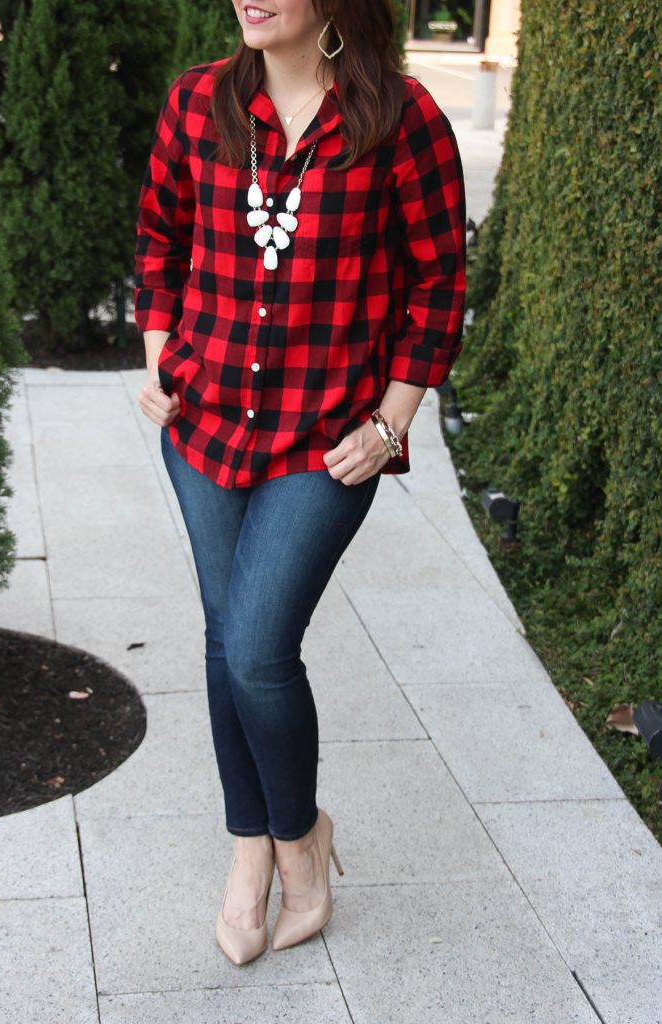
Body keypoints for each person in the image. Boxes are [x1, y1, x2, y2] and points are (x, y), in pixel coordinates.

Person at [134, 0, 466, 965]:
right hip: (202, 425)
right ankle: (253, 851)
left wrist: (392, 422)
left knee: (258, 648)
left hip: (327, 439)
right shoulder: (196, 103)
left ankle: (301, 842)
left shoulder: (402, 122)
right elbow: (160, 235)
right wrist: (159, 353)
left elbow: (439, 284)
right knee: (225, 636)